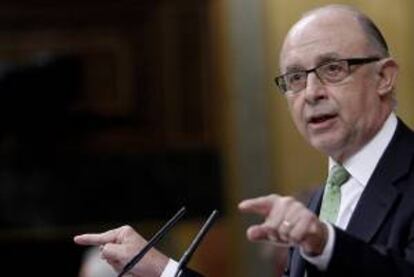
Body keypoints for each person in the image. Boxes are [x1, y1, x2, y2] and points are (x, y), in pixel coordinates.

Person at [74, 4, 414, 276]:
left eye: (333, 69)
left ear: (384, 77)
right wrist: (162, 270)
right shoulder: (325, 196)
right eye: (295, 77)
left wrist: (324, 243)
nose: (311, 93)